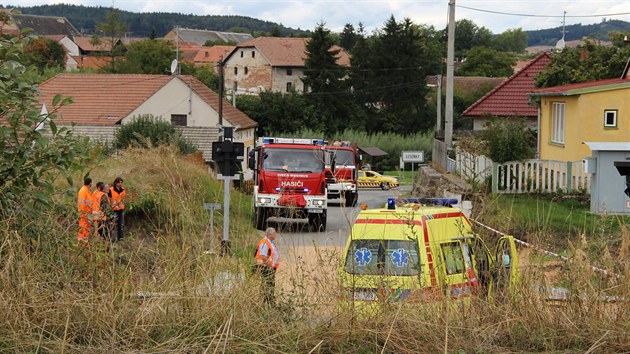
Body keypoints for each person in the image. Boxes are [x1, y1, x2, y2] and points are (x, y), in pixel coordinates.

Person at [254, 227, 280, 305]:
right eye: (274, 233)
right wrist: (270, 266)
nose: (275, 235)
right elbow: (263, 256)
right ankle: (268, 301)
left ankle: (268, 300)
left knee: (270, 284)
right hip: (265, 267)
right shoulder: (265, 242)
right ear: (269, 234)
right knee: (268, 284)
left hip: (269, 267)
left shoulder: (270, 242)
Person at [108, 177, 126, 241]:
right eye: (119, 182)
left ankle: (120, 239)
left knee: (121, 225)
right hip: (113, 210)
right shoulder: (111, 190)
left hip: (121, 209)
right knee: (112, 225)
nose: (120, 184)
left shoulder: (123, 189)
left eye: (121, 182)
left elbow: (123, 199)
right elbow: (108, 199)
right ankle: (110, 239)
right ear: (116, 183)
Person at [77, 177, 93, 244]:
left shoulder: (87, 190)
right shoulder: (83, 191)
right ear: (90, 183)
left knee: (86, 230)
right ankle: (81, 245)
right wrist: (84, 213)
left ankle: (85, 244)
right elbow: (81, 204)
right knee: (83, 230)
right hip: (84, 214)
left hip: (88, 214)